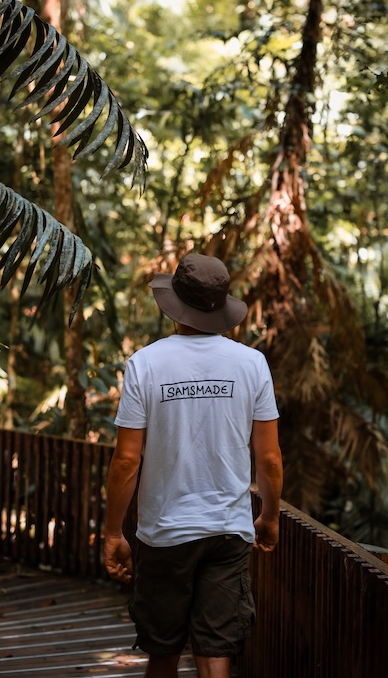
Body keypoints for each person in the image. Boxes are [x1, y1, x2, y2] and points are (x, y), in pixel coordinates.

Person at [103, 253, 283, 678]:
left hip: (165, 532)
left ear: (174, 305)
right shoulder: (251, 363)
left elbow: (127, 460)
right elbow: (270, 458)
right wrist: (270, 516)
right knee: (215, 650)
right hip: (227, 529)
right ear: (220, 307)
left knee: (163, 649)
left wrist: (113, 531)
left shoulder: (145, 364)